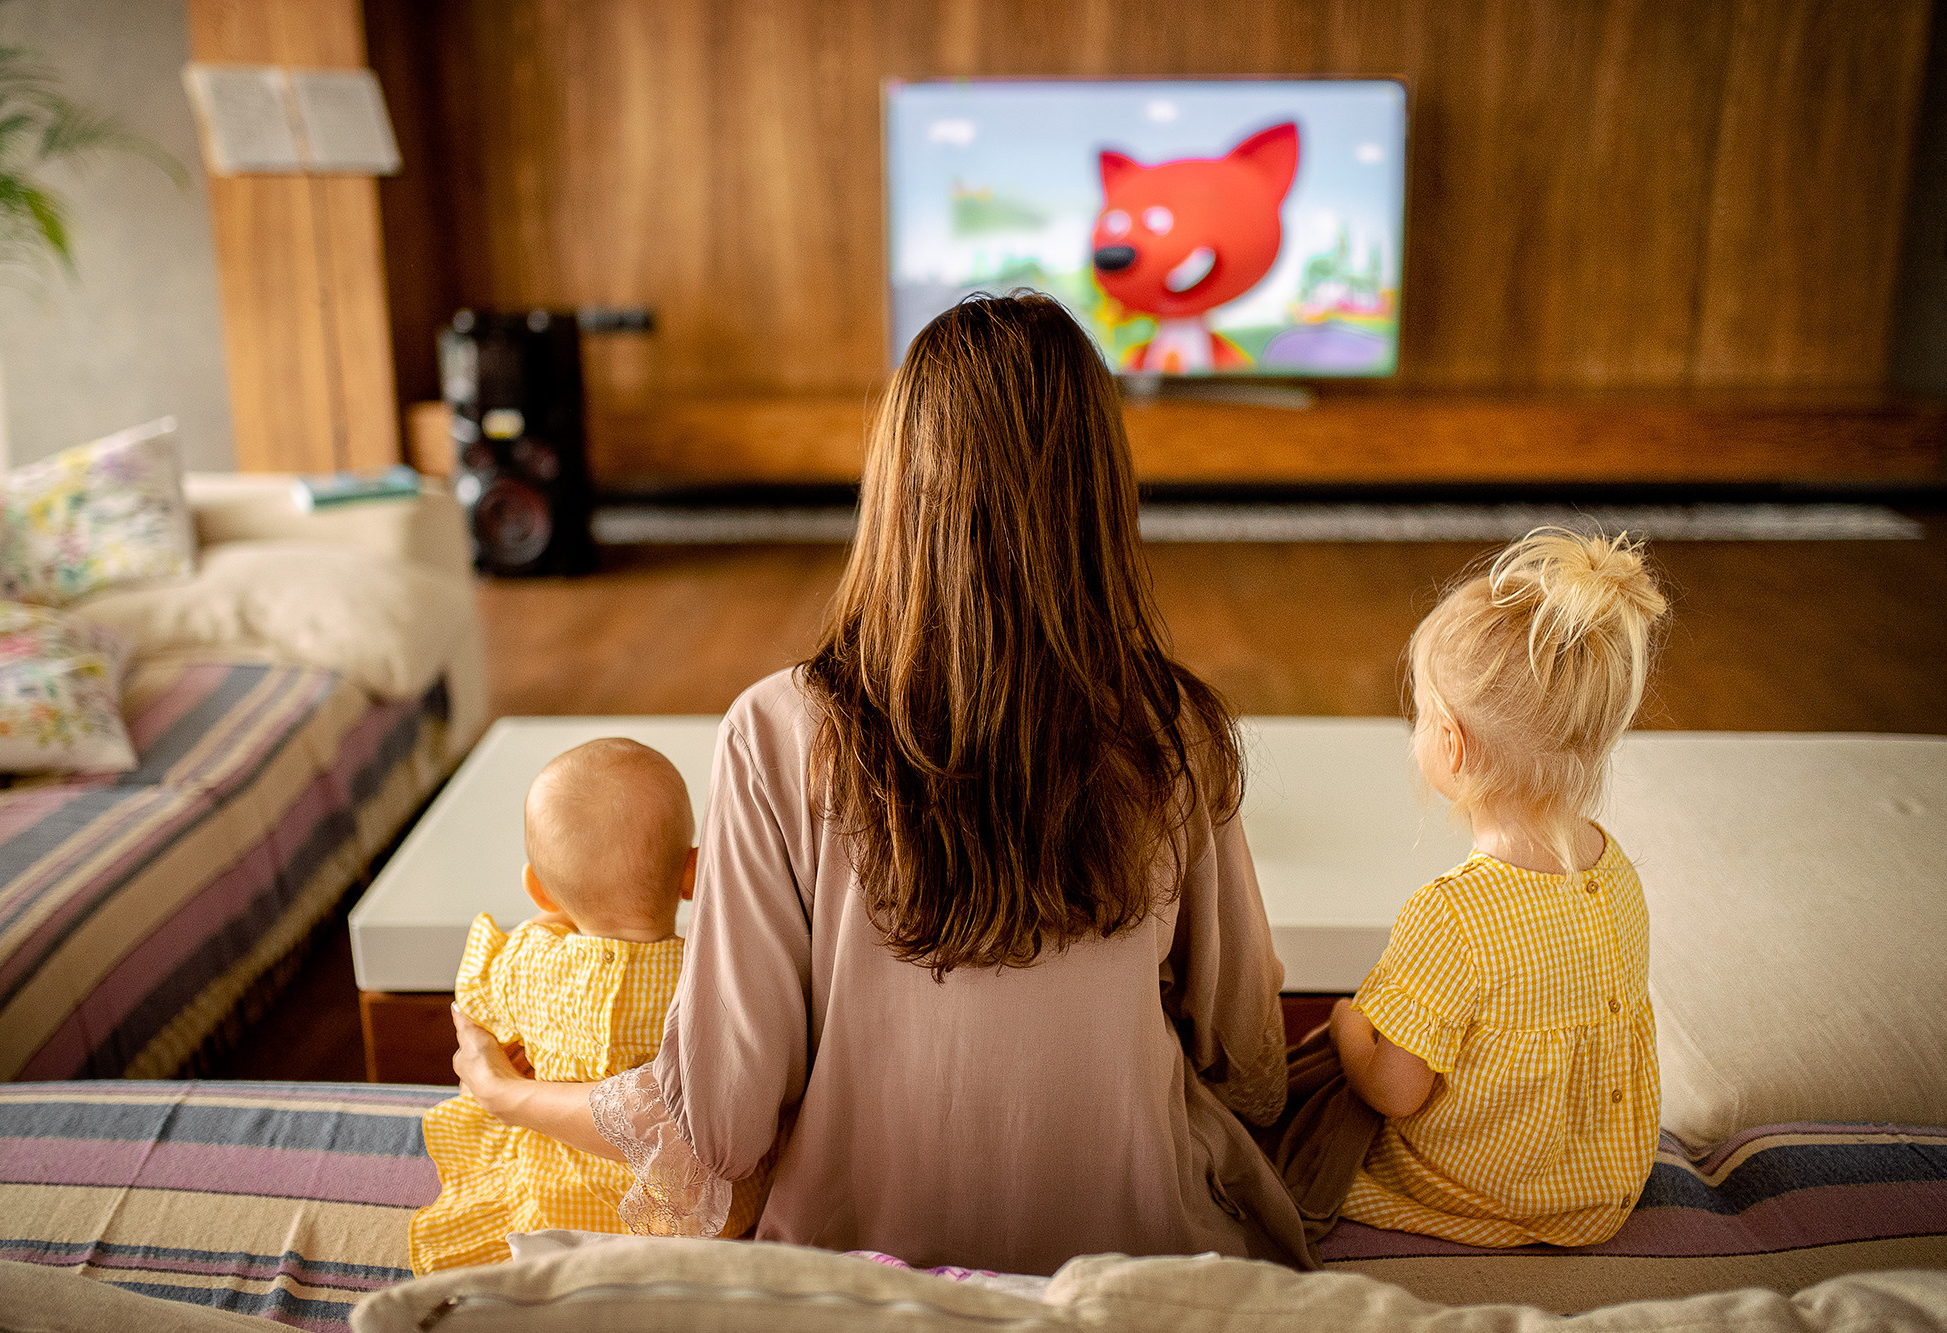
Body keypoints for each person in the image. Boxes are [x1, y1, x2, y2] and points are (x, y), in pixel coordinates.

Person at [449, 292, 1376, 1276]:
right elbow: (1247, 1070)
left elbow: (717, 1126)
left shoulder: (771, 729)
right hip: (1142, 1262)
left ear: (896, 481)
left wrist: (510, 1095)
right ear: (1101, 492)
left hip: (851, 1276)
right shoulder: (1174, 729)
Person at [1330, 527, 1668, 1247]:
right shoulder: (1617, 872)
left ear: (1450, 745)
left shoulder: (1451, 915)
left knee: (1295, 1129)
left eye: (1421, 711)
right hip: (1603, 1188)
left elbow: (1397, 1089)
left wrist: (1345, 1027)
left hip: (1476, 1191)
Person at [410, 737, 741, 1273]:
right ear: (692, 873)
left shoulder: (525, 959)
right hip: (682, 1219)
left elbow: (476, 1004)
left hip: (557, 1194)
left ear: (537, 891)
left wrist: (552, 913)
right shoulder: (706, 976)